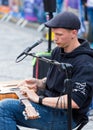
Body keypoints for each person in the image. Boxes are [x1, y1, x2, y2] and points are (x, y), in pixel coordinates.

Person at [0, 11, 93, 130]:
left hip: (66, 116)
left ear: (74, 33)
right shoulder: (58, 51)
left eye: (59, 35)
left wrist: (38, 99)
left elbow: (74, 101)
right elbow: (55, 82)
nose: (55, 39)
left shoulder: (85, 63)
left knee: (4, 109)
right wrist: (39, 83)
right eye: (54, 34)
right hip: (49, 107)